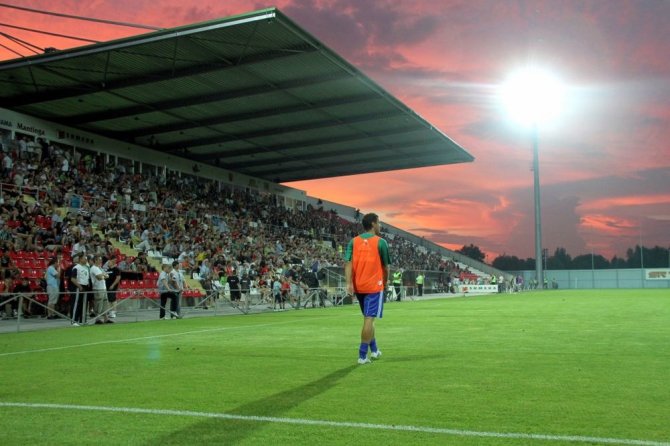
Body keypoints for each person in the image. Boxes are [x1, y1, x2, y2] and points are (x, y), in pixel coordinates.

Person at [345, 212, 390, 365]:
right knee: (369, 319)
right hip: (373, 286)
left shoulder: (353, 241)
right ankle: (362, 355)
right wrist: (385, 282)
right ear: (373, 224)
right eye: (379, 222)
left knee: (369, 320)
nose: (380, 225)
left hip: (359, 286)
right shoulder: (381, 242)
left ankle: (375, 350)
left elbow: (348, 263)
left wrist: (348, 283)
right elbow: (386, 266)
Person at [90, 255, 112, 324]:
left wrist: (103, 275)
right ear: (95, 260)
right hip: (97, 288)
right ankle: (97, 319)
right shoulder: (94, 268)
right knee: (98, 303)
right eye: (99, 259)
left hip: (103, 287)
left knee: (105, 303)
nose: (101, 261)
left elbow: (107, 276)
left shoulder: (99, 268)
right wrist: (103, 275)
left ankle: (106, 318)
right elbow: (99, 277)